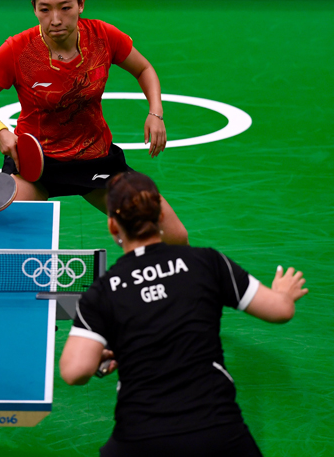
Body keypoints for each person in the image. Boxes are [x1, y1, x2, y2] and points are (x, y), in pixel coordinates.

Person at [59, 171, 308, 457]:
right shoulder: (207, 263)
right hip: (216, 431)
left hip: (139, 438)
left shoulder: (103, 292)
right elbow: (280, 311)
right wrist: (283, 293)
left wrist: (100, 354)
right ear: (161, 216)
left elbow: (74, 372)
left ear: (113, 226)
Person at [0, 0, 188, 244]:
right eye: (45, 9)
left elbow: (144, 69)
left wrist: (155, 113)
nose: (55, 19)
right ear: (34, 8)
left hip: (96, 160)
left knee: (173, 236)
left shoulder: (103, 36)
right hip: (36, 164)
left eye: (65, 7)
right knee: (4, 238)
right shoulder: (17, 49)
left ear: (81, 4)